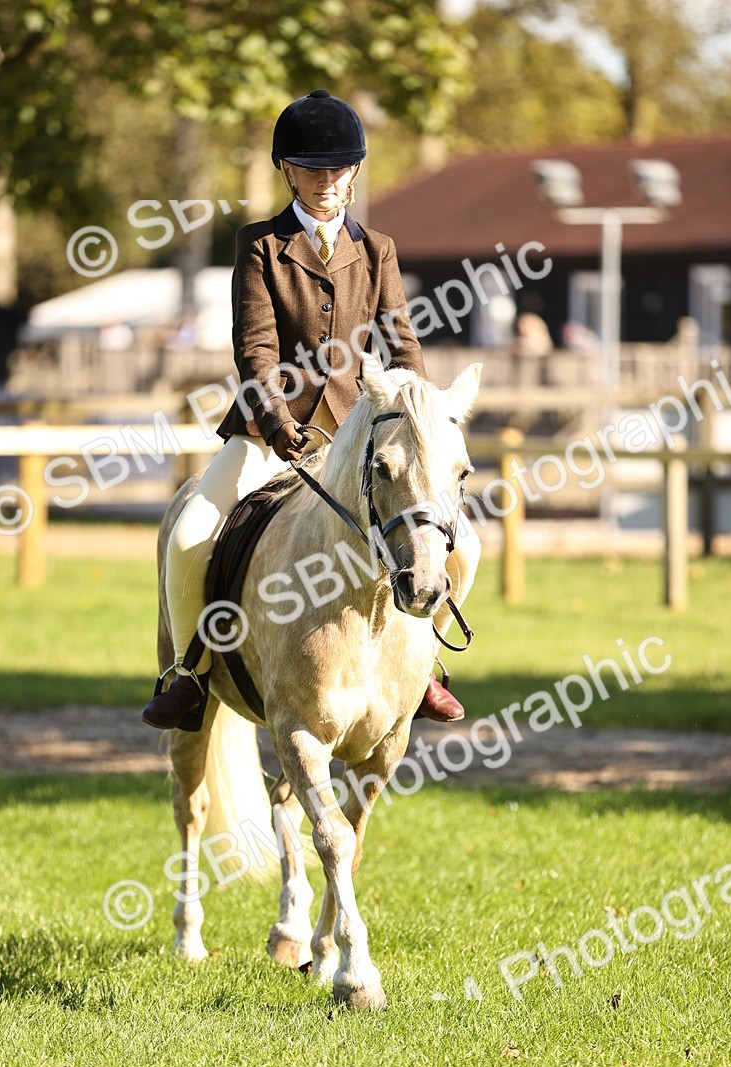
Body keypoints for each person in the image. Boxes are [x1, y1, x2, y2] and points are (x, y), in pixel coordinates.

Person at [142, 89, 480, 731]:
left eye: (337, 170)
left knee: (463, 550)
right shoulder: (260, 245)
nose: (325, 183)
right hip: (272, 435)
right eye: (311, 170)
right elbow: (256, 349)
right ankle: (189, 670)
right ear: (287, 171)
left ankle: (427, 663)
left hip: (360, 437)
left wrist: (418, 419)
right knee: (189, 537)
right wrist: (277, 425)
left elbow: (401, 342)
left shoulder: (377, 249)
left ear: (354, 172)